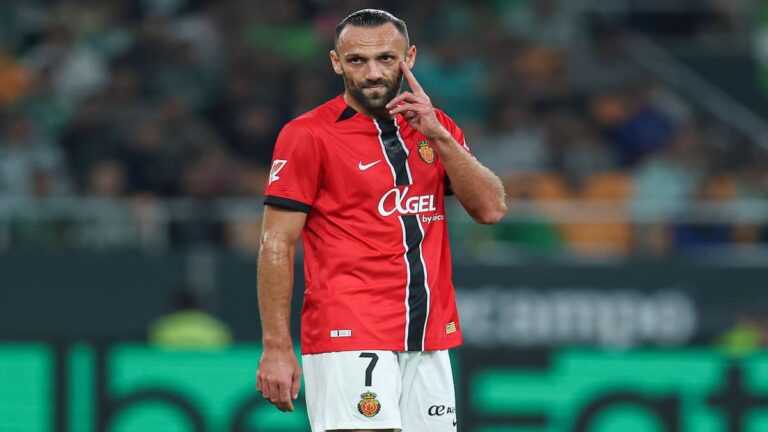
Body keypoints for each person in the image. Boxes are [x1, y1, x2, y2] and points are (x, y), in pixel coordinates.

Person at [256, 9, 507, 432]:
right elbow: (276, 243)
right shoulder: (308, 134)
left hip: (428, 334)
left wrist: (440, 136)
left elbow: (491, 209)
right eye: (357, 60)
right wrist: (277, 346)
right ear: (336, 63)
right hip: (350, 327)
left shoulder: (435, 128)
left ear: (410, 57)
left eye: (386, 59)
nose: (372, 73)